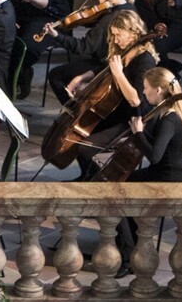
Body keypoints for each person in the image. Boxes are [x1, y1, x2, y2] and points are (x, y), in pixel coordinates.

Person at [60, 9, 159, 181]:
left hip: (133, 118)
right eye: (113, 35)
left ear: (133, 32)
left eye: (119, 34)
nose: (115, 40)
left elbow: (136, 100)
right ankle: (89, 175)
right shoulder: (125, 51)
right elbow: (104, 69)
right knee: (77, 135)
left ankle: (95, 179)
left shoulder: (145, 60)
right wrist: (82, 79)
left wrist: (119, 74)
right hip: (118, 110)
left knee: (84, 147)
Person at [113, 67, 182, 267]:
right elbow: (158, 144)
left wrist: (139, 134)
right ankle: (130, 245)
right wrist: (137, 133)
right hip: (162, 173)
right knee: (122, 183)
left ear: (158, 90)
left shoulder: (170, 120)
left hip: (168, 180)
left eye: (146, 88)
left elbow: (155, 156)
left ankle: (128, 255)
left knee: (118, 194)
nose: (143, 92)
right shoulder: (166, 112)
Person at [39, 0, 136, 107]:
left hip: (103, 64)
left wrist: (57, 35)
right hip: (112, 59)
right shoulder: (130, 8)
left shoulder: (110, 19)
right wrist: (84, 19)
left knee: (56, 75)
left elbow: (83, 47)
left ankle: (74, 111)